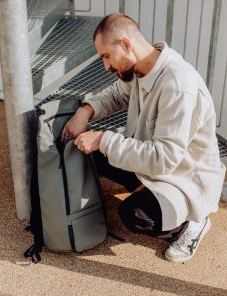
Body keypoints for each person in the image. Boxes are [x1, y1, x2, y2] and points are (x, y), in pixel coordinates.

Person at [61, 13, 226, 263]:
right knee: (90, 150)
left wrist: (103, 139)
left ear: (126, 44)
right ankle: (141, 186)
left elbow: (164, 159)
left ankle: (192, 226)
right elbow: (117, 94)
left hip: (184, 179)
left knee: (134, 214)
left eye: (106, 56)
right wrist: (86, 111)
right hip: (156, 162)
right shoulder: (142, 67)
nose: (105, 66)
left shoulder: (178, 86)